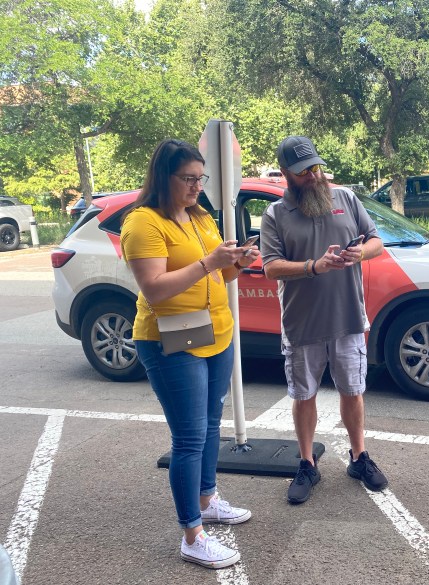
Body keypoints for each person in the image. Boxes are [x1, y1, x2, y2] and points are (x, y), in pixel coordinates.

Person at [120, 139, 260, 569]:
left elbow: (223, 272)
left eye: (201, 179)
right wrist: (208, 262)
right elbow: (155, 287)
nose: (198, 187)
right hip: (168, 338)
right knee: (189, 437)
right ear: (165, 177)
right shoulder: (142, 223)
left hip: (215, 331)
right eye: (189, 179)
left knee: (211, 420)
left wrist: (238, 261)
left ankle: (208, 497)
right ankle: (192, 535)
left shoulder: (199, 216)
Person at [260, 135, 389, 505]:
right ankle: (306, 463)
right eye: (303, 172)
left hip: (348, 317)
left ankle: (358, 456)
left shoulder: (345, 198)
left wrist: (359, 252)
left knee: (353, 390)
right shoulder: (275, 215)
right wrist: (313, 266)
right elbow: (270, 268)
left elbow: (377, 241)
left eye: (316, 167)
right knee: (304, 395)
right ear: (285, 173)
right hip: (302, 323)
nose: (314, 176)